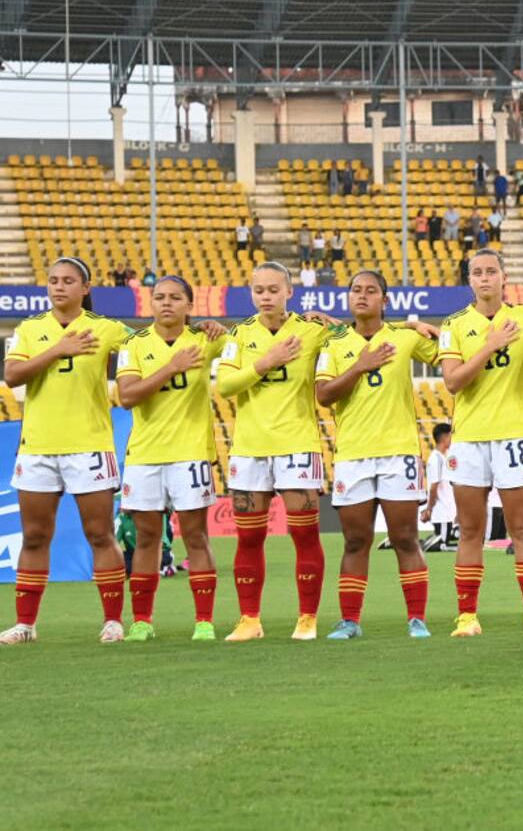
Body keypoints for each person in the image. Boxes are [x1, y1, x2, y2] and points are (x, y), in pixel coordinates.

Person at [0, 257, 130, 645]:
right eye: (53, 280)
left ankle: (112, 621)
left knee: (100, 534)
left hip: (88, 446)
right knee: (35, 536)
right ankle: (25, 624)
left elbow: (151, 341)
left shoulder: (106, 329)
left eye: (68, 281)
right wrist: (59, 349)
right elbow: (11, 375)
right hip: (38, 447)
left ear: (85, 288)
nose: (59, 287)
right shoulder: (30, 329)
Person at [316, 270, 439, 640]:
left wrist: (432, 328)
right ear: (348, 298)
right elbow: (323, 395)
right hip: (353, 454)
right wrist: (359, 366)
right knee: (355, 540)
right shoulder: (334, 343)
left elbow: (448, 355)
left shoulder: (404, 337)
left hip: (398, 452)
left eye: (371, 291)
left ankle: (417, 619)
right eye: (356, 290)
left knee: (405, 538)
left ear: (385, 301)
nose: (363, 296)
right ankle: (350, 621)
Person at [217, 262, 334, 642]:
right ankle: (250, 619)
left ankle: (307, 618)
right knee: (248, 539)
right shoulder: (240, 334)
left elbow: (354, 338)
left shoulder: (312, 331)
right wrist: (266, 362)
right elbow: (226, 385)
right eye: (258, 290)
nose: (265, 296)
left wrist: (332, 319)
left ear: (289, 292)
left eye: (272, 289)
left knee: (305, 536)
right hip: (250, 449)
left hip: (297, 446)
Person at [437, 249, 523, 637]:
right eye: (477, 273)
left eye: (491, 272)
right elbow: (453, 382)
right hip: (468, 440)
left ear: (504, 277)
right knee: (470, 530)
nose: (484, 278)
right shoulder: (454, 325)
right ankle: (467, 617)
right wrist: (490, 344)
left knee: (522, 528)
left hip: (514, 436)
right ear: (470, 280)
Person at [115, 276, 226, 642]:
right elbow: (127, 396)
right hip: (145, 455)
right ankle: (143, 621)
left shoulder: (205, 341)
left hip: (190, 455)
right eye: (159, 297)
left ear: (189, 306)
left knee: (196, 536)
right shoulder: (135, 345)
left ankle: (204, 622)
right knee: (146, 539)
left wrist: (218, 327)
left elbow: (246, 343)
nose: (166, 303)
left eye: (175, 297)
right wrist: (171, 367)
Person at [421, 423, 457, 551]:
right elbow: (433, 486)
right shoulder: (436, 458)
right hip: (441, 513)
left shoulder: (444, 457)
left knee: (445, 543)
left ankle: (422, 542)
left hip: (447, 512)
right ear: (445, 437)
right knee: (442, 546)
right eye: (450, 436)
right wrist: (429, 509)